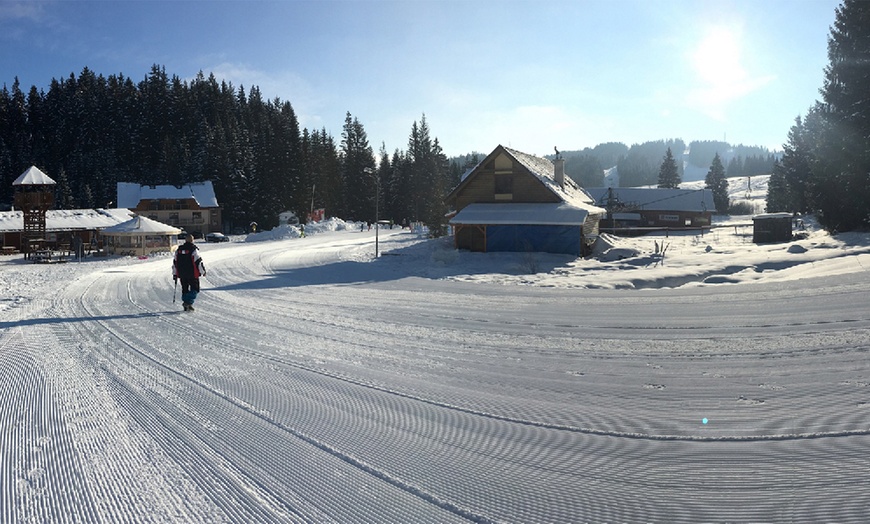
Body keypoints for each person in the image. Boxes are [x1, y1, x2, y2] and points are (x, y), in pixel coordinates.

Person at [173, 234, 206, 311]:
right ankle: (188, 302)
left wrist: (175, 273)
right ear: (192, 240)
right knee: (195, 289)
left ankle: (187, 304)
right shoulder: (193, 250)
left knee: (185, 289)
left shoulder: (179, 250)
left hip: (182, 274)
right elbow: (198, 262)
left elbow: (175, 262)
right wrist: (203, 271)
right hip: (192, 274)